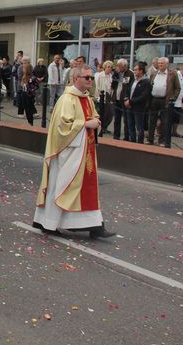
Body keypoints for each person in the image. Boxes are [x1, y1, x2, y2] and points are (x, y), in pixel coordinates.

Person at [33, 65, 115, 239]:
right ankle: (50, 223)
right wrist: (85, 124)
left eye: (92, 78)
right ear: (75, 78)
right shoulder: (66, 99)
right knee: (62, 185)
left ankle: (95, 225)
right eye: (87, 77)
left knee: (87, 187)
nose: (90, 81)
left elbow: (94, 117)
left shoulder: (88, 98)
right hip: (68, 152)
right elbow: (62, 127)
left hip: (86, 150)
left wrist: (96, 122)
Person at [147, 57, 181, 148]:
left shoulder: (172, 74)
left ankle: (162, 141)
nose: (160, 65)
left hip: (165, 100)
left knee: (165, 122)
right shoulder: (154, 73)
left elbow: (178, 88)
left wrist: (173, 98)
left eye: (162, 63)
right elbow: (150, 85)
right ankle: (150, 139)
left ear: (167, 64)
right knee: (152, 121)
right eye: (159, 63)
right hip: (154, 99)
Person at [124, 62, 152, 144]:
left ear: (141, 71)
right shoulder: (133, 81)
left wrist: (131, 101)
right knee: (130, 125)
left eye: (136, 70)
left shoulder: (146, 82)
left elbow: (144, 96)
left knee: (139, 126)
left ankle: (140, 142)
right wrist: (126, 99)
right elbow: (127, 91)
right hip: (129, 107)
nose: (134, 71)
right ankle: (132, 140)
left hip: (139, 107)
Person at [110, 59, 134, 141]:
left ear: (125, 66)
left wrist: (127, 97)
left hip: (124, 98)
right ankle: (116, 135)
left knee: (126, 119)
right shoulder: (117, 73)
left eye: (120, 66)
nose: (118, 67)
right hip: (116, 97)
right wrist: (115, 74)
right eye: (118, 65)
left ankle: (126, 136)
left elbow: (129, 86)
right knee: (117, 118)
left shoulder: (130, 74)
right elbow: (113, 84)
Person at [94, 60, 114, 134]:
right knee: (102, 113)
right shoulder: (100, 75)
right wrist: (98, 96)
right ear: (105, 67)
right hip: (101, 97)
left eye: (111, 67)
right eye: (108, 67)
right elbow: (97, 86)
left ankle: (105, 127)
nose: (110, 69)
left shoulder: (111, 76)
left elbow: (112, 87)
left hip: (109, 97)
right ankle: (101, 128)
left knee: (110, 113)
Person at [172, 63, 183, 138]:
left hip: (180, 100)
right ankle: (167, 132)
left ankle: (174, 132)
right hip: (174, 100)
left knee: (177, 118)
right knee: (171, 117)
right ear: (182, 68)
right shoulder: (176, 74)